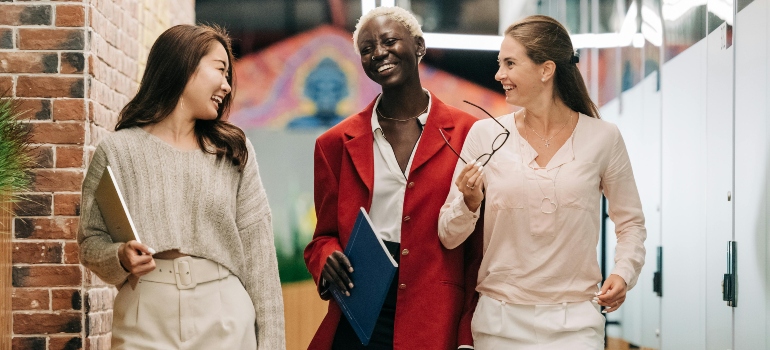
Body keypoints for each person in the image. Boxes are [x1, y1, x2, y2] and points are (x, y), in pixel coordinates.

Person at [438, 15, 646, 349]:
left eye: (509, 63)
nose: (498, 75)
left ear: (545, 70)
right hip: (499, 324)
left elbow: (631, 222)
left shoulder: (603, 137)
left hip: (576, 325)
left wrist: (623, 273)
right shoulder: (485, 134)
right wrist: (469, 201)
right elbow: (448, 235)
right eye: (499, 63)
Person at [77, 24, 285, 349]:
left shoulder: (232, 151)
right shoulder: (117, 151)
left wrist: (272, 344)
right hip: (143, 311)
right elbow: (90, 241)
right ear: (185, 65)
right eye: (221, 70)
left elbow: (260, 258)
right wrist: (119, 256)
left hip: (225, 312)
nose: (227, 86)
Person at [304, 6, 483, 350]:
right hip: (361, 303)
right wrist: (326, 258)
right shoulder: (334, 144)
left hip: (433, 312)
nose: (379, 53)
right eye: (367, 49)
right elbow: (322, 237)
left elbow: (477, 251)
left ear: (418, 46)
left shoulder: (468, 133)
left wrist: (467, 336)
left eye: (389, 41)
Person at [287, 57, 348, 129]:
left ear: (343, 92)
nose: (326, 91)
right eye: (318, 88)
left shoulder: (350, 125)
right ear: (309, 92)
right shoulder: (297, 125)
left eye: (334, 88)